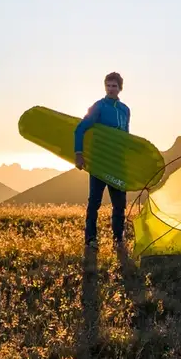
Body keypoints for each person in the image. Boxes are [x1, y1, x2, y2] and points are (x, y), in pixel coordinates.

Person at [74, 71, 131, 249]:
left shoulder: (125, 110)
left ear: (120, 88)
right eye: (108, 85)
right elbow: (80, 129)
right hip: (100, 161)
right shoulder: (98, 107)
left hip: (118, 163)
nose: (111, 89)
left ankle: (118, 239)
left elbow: (126, 136)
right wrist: (79, 153)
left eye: (114, 86)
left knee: (119, 205)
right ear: (105, 87)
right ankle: (91, 239)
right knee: (94, 203)